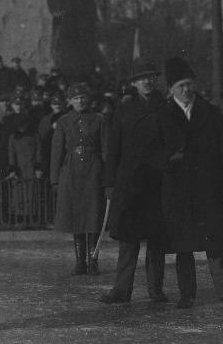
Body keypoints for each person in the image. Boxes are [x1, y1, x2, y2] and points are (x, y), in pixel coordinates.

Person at [159, 57, 223, 309]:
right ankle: (187, 294)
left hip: (209, 188)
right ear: (171, 89)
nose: (186, 90)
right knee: (184, 246)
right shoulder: (163, 115)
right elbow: (153, 151)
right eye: (180, 86)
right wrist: (169, 160)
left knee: (216, 244)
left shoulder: (210, 112)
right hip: (178, 190)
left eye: (189, 84)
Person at [99, 60, 168, 304]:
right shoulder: (123, 109)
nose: (147, 81)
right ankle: (121, 288)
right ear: (134, 83)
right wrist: (110, 183)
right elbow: (113, 149)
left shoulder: (166, 107)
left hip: (158, 181)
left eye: (151, 77)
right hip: (130, 183)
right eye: (142, 78)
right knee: (128, 239)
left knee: (157, 240)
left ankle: (155, 289)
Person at [50, 82, 107, 275]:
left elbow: (105, 150)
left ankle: (93, 261)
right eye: (75, 98)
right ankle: (79, 261)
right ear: (69, 101)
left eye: (83, 97)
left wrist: (108, 177)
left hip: (93, 171)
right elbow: (56, 151)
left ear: (88, 99)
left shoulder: (99, 119)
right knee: (76, 216)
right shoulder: (64, 121)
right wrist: (55, 179)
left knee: (93, 215)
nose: (80, 101)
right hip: (71, 172)